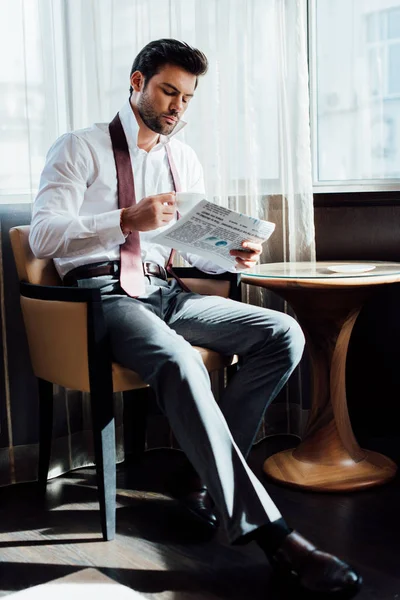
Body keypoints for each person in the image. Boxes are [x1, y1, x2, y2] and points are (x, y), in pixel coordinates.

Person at [29, 39, 361, 597]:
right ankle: (276, 537)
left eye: (187, 97)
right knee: (182, 362)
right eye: (167, 90)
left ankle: (202, 482)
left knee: (281, 333)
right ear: (137, 83)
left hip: (165, 290)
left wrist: (231, 254)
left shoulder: (183, 161)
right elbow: (42, 235)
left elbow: (187, 251)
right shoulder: (78, 147)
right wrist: (123, 218)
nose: (177, 106)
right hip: (101, 296)